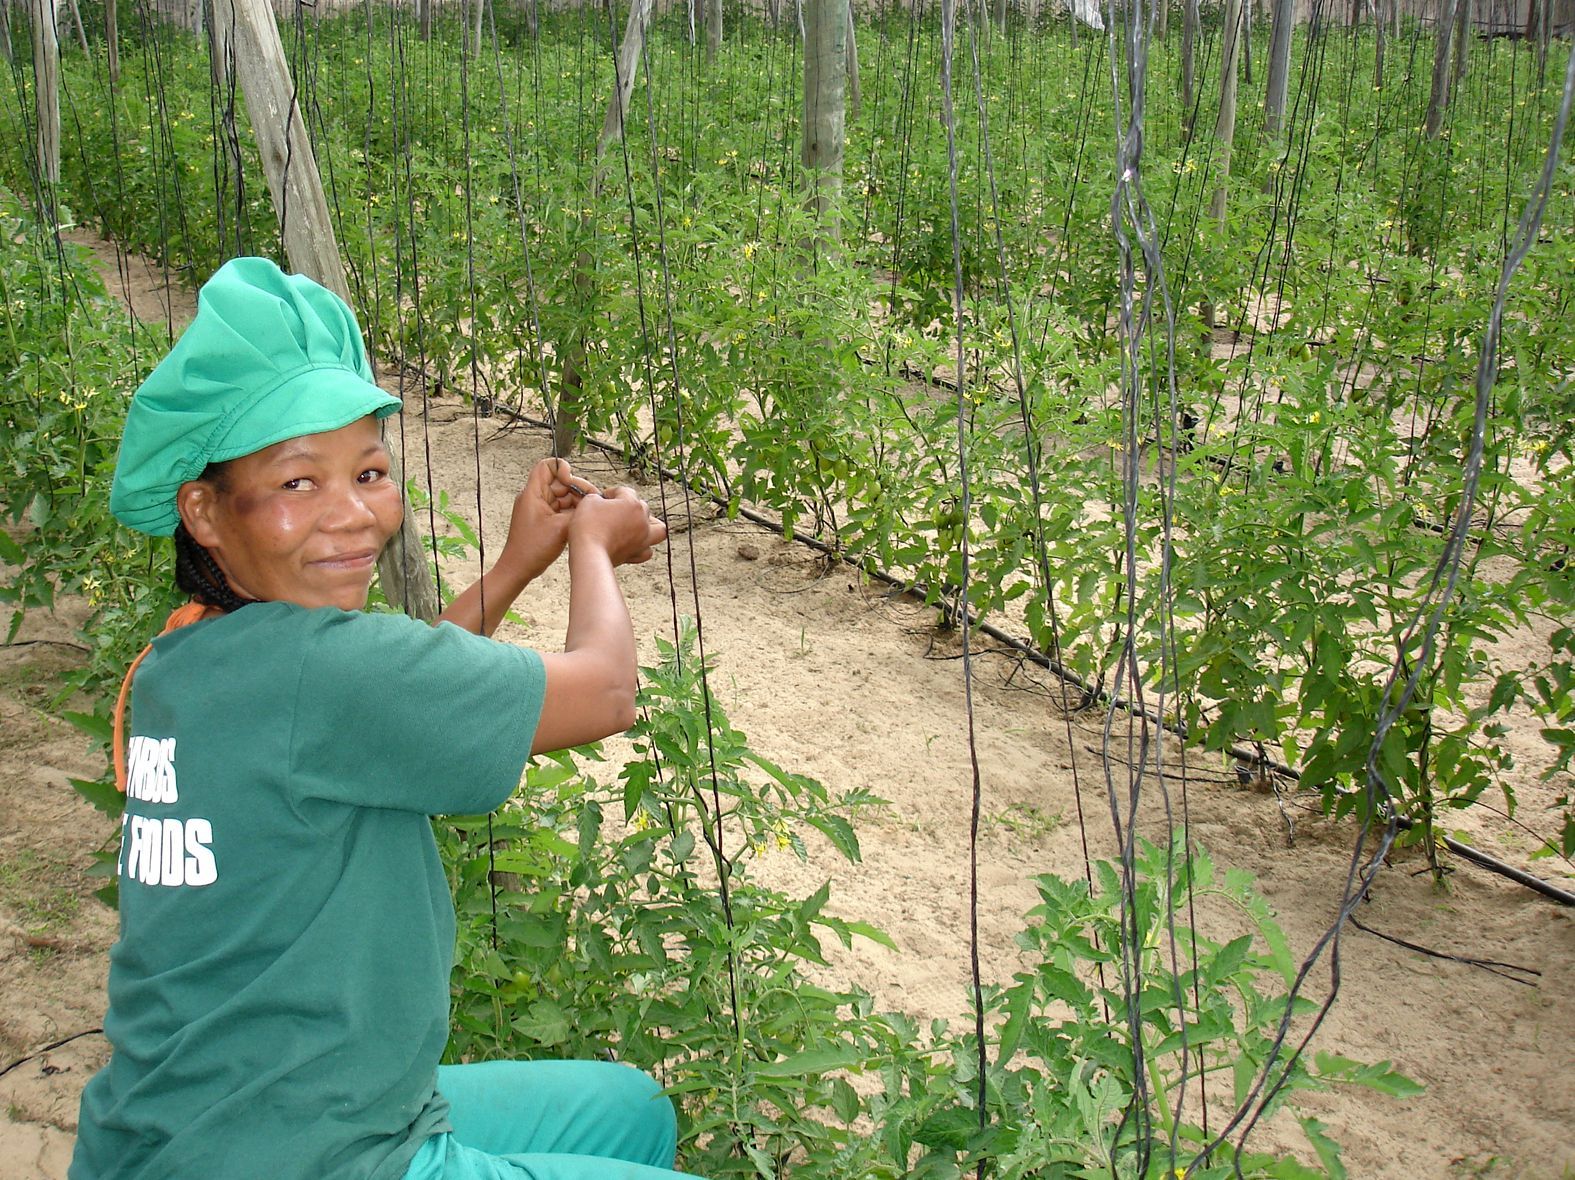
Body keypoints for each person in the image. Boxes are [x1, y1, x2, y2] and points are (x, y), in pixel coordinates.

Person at [70, 257, 695, 1180]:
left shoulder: (191, 655)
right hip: (310, 1154)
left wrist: (518, 561)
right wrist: (595, 547)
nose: (353, 516)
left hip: (197, 1119)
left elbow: (380, 701)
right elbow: (605, 691)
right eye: (296, 484)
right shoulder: (320, 670)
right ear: (202, 510)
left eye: (368, 470)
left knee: (630, 1109)